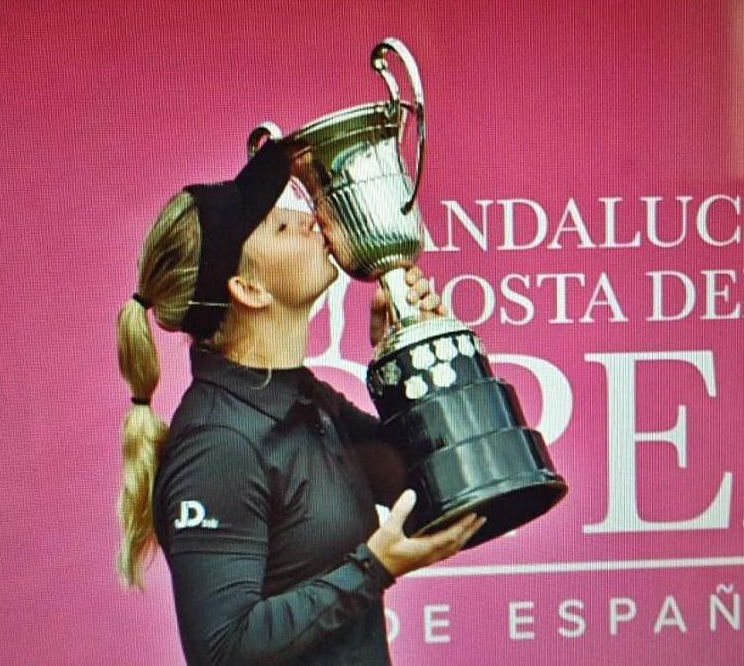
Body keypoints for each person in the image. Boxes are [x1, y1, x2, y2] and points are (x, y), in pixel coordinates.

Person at [114, 139, 486, 665]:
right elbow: (221, 650)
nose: (311, 221)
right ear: (248, 289)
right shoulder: (217, 445)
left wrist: (404, 356)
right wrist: (373, 567)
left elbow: (445, 486)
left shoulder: (305, 399)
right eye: (283, 227)